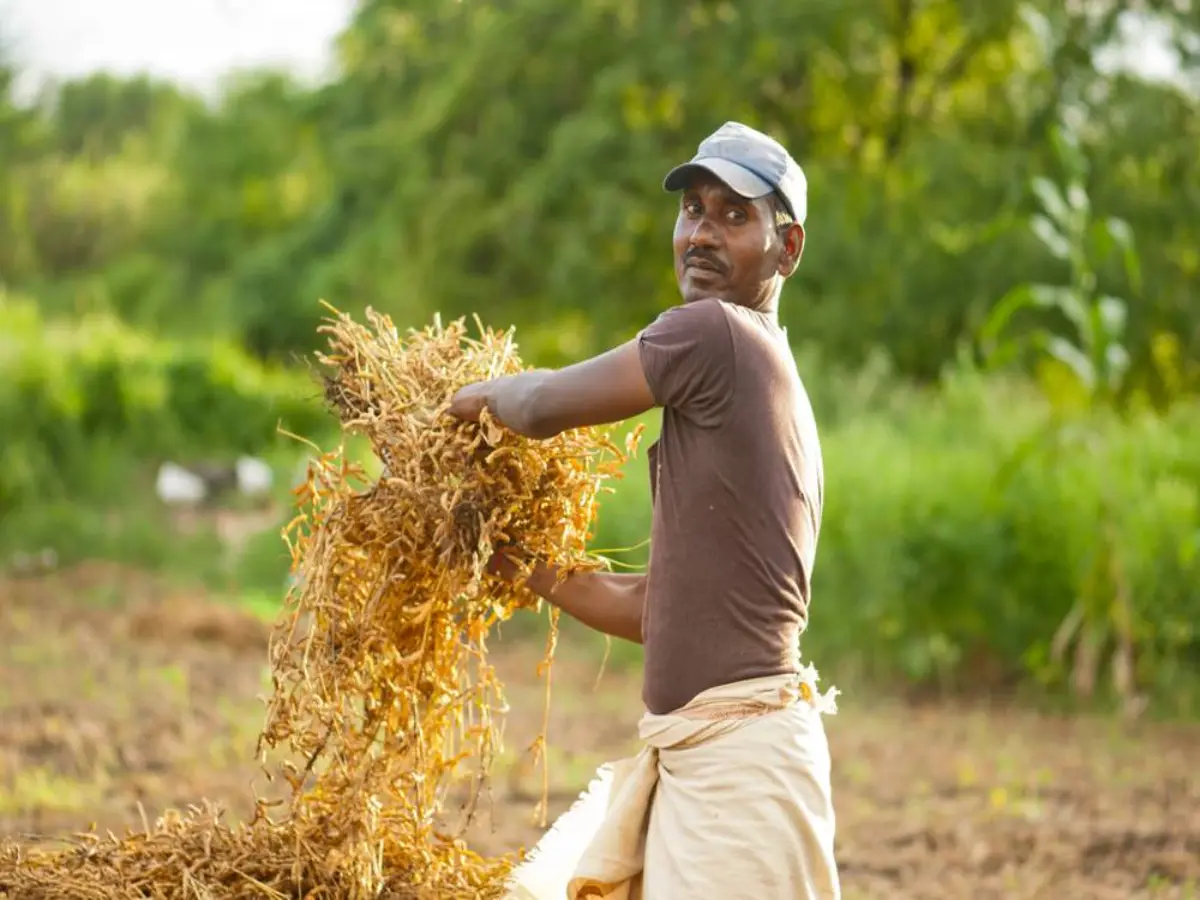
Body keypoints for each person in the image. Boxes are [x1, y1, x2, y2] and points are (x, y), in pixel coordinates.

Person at [448, 121, 841, 900]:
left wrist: (447, 406)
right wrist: (515, 563)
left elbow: (539, 405)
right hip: (716, 763)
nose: (701, 234)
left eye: (734, 216)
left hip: (741, 774)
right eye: (693, 209)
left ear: (787, 248)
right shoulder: (755, 368)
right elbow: (654, 609)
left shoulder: (714, 335)